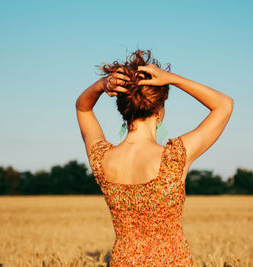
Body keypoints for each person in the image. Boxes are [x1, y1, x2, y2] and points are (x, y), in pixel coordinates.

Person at [75, 49, 234, 266]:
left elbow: (83, 108)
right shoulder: (175, 157)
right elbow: (224, 105)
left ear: (123, 109)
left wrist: (103, 85)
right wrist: (172, 79)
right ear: (159, 109)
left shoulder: (102, 158)